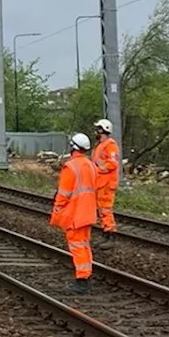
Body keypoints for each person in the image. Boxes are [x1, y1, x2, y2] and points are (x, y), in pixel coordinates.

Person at [51, 132, 98, 294]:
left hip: (75, 214)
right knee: (84, 245)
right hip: (89, 212)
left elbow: (63, 193)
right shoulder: (91, 165)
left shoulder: (70, 167)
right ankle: (86, 275)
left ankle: (82, 281)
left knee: (77, 246)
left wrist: (57, 210)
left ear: (73, 148)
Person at [91, 119, 120, 249]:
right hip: (101, 183)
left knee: (105, 209)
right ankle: (106, 234)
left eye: (98, 129)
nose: (96, 131)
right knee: (102, 210)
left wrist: (99, 170)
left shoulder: (110, 145)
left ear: (103, 130)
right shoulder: (101, 145)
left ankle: (110, 234)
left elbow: (113, 163)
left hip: (107, 184)